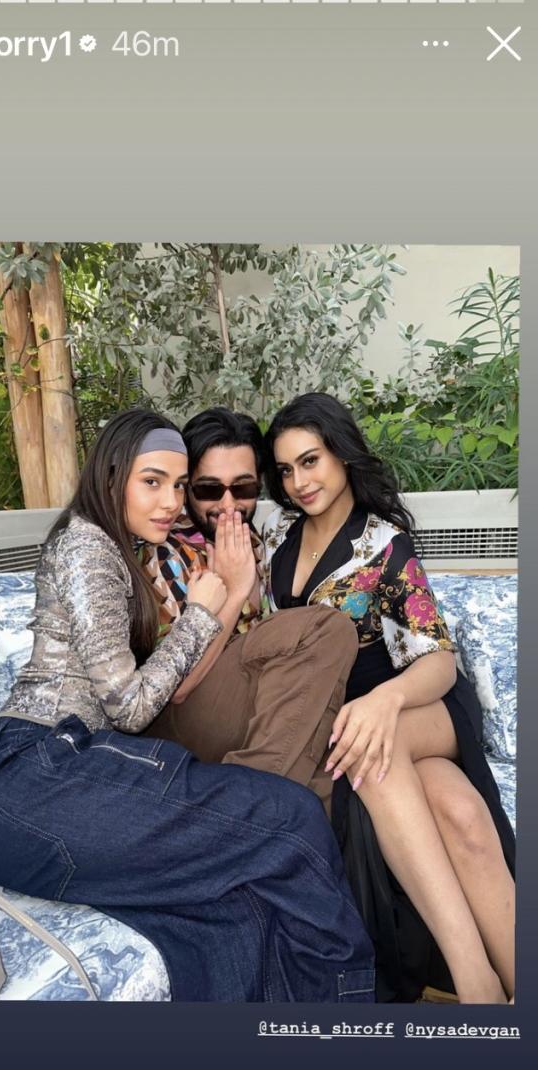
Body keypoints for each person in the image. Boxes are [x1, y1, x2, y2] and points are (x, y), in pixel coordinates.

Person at [0, 408, 375, 1003]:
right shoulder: (87, 545)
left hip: (54, 786)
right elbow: (129, 706)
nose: (172, 502)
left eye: (178, 485)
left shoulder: (123, 551)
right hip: (24, 775)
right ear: (111, 476)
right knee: (291, 817)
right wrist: (204, 609)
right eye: (152, 482)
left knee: (237, 918)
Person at [264, 391, 515, 1004]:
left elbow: (439, 660)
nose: (299, 481)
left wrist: (385, 701)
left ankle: (475, 985)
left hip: (421, 703)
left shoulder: (383, 543)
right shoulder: (280, 542)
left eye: (311, 461)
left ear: (342, 455)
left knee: (367, 744)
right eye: (287, 469)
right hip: (354, 716)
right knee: (460, 812)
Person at [140, 406, 359, 815]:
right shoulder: (167, 552)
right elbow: (175, 689)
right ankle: (243, 812)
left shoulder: (262, 541)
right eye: (209, 490)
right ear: (187, 490)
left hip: (251, 708)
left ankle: (254, 826)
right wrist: (236, 589)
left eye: (242, 488)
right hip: (180, 716)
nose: (228, 505)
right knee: (327, 628)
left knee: (331, 772)